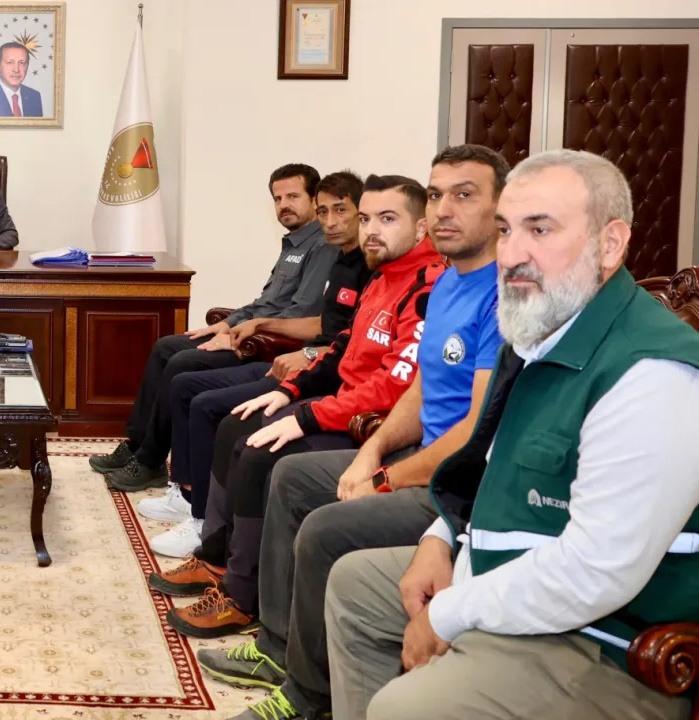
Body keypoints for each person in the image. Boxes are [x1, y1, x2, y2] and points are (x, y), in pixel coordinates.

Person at [324, 149, 699, 720]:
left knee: (406, 708)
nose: (512, 253)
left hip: (601, 646)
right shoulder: (539, 333)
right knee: (354, 584)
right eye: (506, 229)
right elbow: (488, 467)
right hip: (506, 577)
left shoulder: (652, 372)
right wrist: (440, 538)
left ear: (610, 243)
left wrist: (449, 613)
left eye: (539, 230)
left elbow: (595, 571)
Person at [194, 144, 509, 720]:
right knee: (290, 475)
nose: (445, 208)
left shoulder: (501, 295)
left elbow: (474, 432)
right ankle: (275, 648)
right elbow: (419, 388)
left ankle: (306, 697)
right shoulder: (448, 284)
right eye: (436, 194)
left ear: (500, 208)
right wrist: (373, 451)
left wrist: (384, 477)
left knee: (322, 526)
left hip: (457, 481)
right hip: (404, 445)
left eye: (464, 195)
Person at [154, 174, 445, 638]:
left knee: (258, 450)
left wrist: (308, 414)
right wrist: (289, 391)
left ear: (421, 227)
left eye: (387, 219)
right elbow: (342, 348)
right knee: (236, 424)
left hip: (373, 424)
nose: (371, 231)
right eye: (367, 219)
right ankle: (217, 558)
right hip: (339, 402)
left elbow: (396, 385)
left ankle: (241, 596)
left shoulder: (429, 287)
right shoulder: (381, 277)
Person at [139, 170, 372, 557]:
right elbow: (323, 324)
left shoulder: (367, 265)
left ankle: (204, 523)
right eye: (324, 212)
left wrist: (305, 354)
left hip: (319, 373)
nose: (331, 221)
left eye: (341, 211)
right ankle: (186, 494)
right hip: (301, 361)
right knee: (185, 382)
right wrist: (257, 324)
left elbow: (350, 341)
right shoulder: (342, 261)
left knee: (207, 403)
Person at [91, 164, 337, 491]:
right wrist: (226, 324)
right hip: (252, 331)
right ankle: (137, 446)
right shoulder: (294, 243)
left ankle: (150, 462)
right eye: (278, 199)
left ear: (314, 199)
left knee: (182, 362)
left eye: (293, 196)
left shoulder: (322, 246)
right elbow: (264, 302)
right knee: (166, 346)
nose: (284, 205)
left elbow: (300, 312)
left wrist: (237, 335)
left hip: (270, 345)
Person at [0, 42, 43, 117]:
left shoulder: (34, 96)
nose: (16, 70)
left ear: (27, 66)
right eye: (10, 62)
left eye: (22, 63)